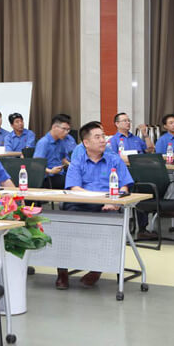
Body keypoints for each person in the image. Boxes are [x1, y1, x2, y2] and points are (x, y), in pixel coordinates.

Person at [55, 121, 134, 290]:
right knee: (62, 226)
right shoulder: (77, 161)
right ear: (86, 142)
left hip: (108, 206)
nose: (103, 140)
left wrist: (114, 202)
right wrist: (97, 198)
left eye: (103, 136)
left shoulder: (114, 160)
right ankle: (62, 272)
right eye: (97, 137)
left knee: (111, 225)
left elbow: (124, 186)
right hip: (81, 205)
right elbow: (74, 188)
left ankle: (97, 268)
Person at [33, 114, 74, 189]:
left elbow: (63, 159)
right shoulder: (44, 142)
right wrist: (51, 171)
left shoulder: (61, 141)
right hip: (47, 177)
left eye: (68, 130)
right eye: (64, 129)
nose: (66, 132)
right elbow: (36, 165)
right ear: (54, 127)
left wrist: (71, 165)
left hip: (59, 174)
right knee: (70, 183)